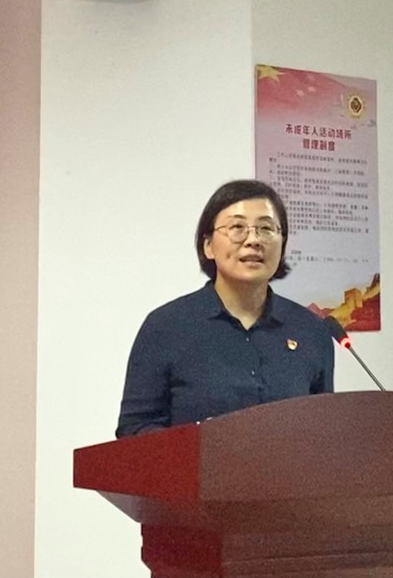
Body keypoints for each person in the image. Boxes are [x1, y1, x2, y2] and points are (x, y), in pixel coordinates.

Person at [115, 180, 334, 437]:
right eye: (237, 228)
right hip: (196, 464)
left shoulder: (311, 331)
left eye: (266, 228)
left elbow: (323, 431)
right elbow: (134, 428)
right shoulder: (165, 326)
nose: (253, 240)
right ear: (208, 245)